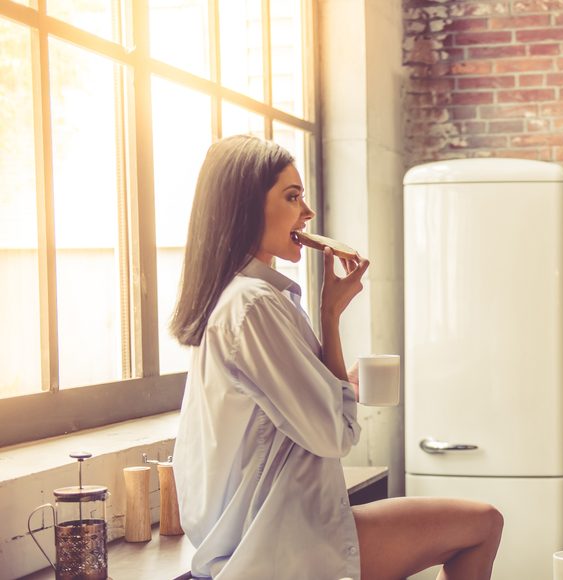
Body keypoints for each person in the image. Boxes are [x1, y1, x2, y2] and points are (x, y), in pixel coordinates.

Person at [170, 135, 502, 580]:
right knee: (482, 524)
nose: (307, 213)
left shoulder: (246, 298)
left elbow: (291, 417)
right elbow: (335, 435)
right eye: (292, 197)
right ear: (247, 208)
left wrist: (331, 316)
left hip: (273, 533)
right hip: (276, 547)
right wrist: (336, 378)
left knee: (480, 522)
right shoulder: (254, 304)